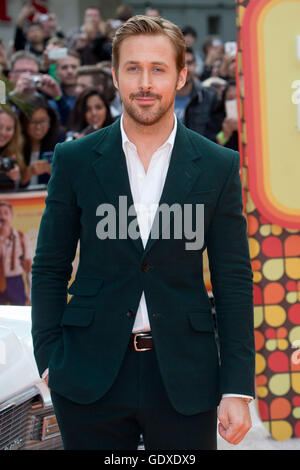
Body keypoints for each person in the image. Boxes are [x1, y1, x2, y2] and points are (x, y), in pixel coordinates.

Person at [31, 15, 255, 450]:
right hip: (88, 376)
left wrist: (236, 387)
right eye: (133, 68)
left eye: (158, 68)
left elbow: (232, 280)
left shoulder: (217, 165)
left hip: (186, 378)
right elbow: (50, 265)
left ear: (181, 75)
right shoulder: (75, 159)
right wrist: (50, 359)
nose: (145, 82)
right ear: (114, 75)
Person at [175, 46, 218, 140]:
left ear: (195, 65)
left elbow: (215, 138)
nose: (185, 69)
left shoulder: (209, 97)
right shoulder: (159, 97)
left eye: (189, 63)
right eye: (180, 64)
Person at [18, 95, 62, 187]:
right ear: (24, 122)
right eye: (33, 122)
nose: (38, 127)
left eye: (42, 121)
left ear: (50, 120)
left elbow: (69, 182)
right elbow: (10, 185)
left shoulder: (61, 142)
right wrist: (29, 172)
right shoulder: (16, 143)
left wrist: (51, 171)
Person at [0, 201, 32, 305]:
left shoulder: (21, 238)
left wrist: (31, 294)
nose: (3, 217)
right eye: (0, 213)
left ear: (11, 216)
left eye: (6, 213)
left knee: (19, 316)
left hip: (16, 283)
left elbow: (29, 269)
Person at [0, 107, 25, 191]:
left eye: (9, 129)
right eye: (0, 127)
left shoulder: (15, 153)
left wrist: (15, 179)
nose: (3, 133)